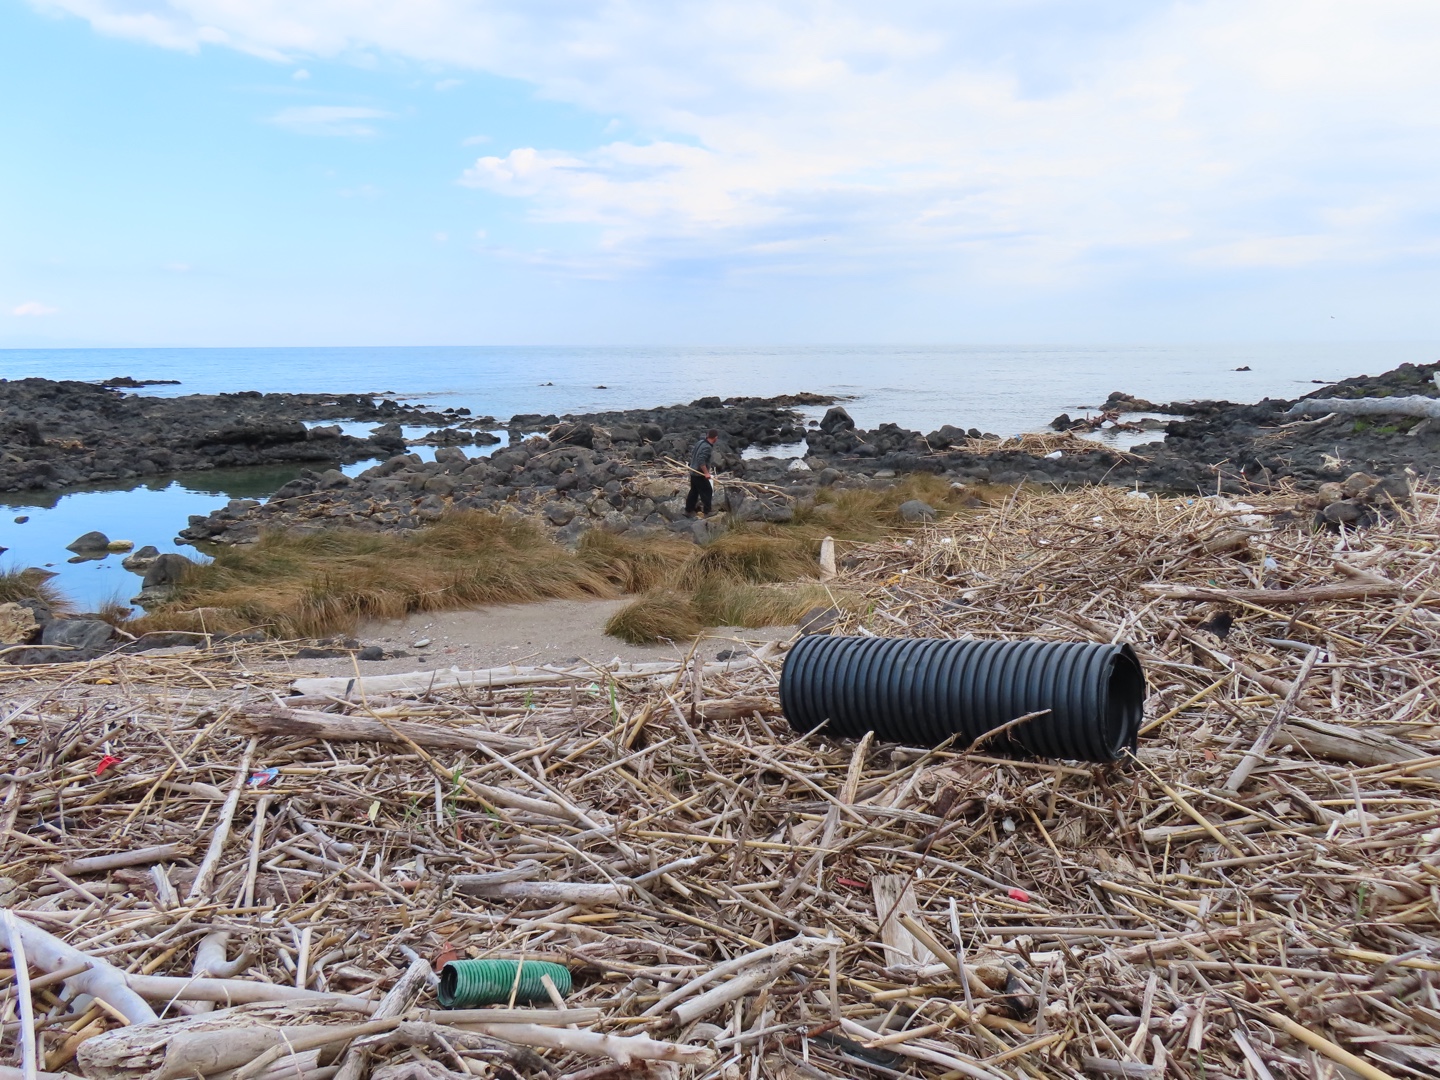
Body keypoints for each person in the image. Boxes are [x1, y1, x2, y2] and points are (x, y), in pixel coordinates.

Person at [685, 429, 719, 517]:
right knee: (707, 490)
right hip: (699, 474)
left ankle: (688, 510)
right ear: (715, 438)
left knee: (694, 491)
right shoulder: (707, 447)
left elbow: (694, 453)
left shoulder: (700, 442)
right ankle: (707, 512)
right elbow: (701, 460)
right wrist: (706, 473)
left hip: (693, 471)